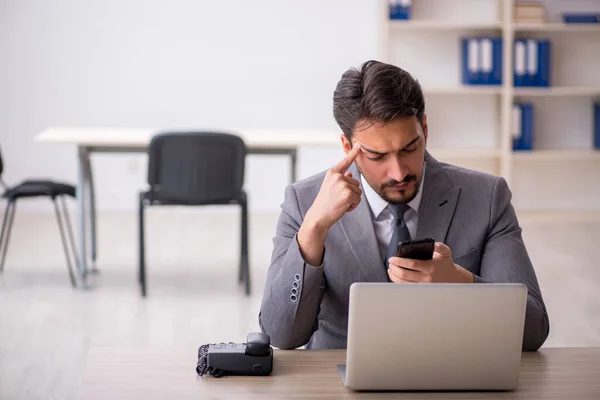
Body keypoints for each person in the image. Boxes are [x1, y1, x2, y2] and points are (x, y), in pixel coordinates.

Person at [258, 60, 549, 352]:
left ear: (424, 128)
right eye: (377, 156)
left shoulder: (487, 197)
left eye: (409, 148)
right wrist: (313, 230)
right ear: (348, 148)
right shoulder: (304, 203)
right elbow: (281, 335)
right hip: (337, 384)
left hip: (452, 379)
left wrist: (461, 284)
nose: (398, 172)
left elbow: (533, 330)